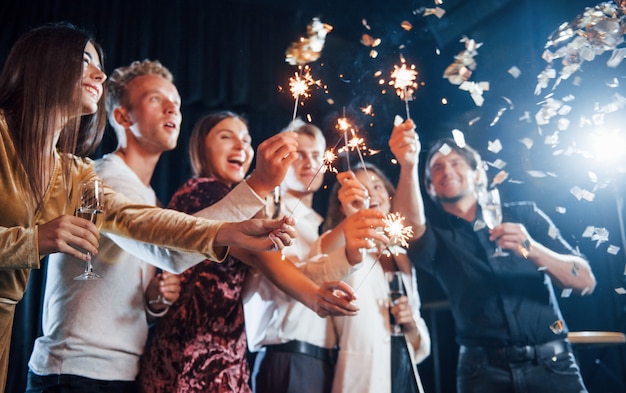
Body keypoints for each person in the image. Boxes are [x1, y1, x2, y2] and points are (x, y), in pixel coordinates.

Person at [0, 24, 346, 391]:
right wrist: (34, 240)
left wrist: (225, 233)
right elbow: (160, 241)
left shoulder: (74, 174)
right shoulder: (101, 175)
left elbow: (156, 239)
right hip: (74, 372)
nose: (98, 74)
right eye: (84, 60)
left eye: (178, 103)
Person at [138, 114, 373, 392]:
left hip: (223, 353)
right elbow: (263, 257)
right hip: (193, 356)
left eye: (246, 140)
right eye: (226, 136)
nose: (240, 146)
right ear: (201, 147)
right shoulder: (204, 191)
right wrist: (314, 295)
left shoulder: (240, 202)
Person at [407, 122, 597, 392]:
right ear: (430, 188)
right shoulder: (438, 239)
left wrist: (531, 249)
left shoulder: (524, 215)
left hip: (553, 365)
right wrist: (407, 163)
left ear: (476, 174)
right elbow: (408, 226)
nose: (447, 170)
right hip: (482, 372)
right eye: (437, 167)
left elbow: (586, 282)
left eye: (456, 162)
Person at [317, 119, 430, 393]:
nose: (373, 193)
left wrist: (411, 323)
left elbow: (420, 338)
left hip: (403, 371)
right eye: (362, 188)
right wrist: (354, 217)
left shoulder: (402, 256)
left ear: (391, 196)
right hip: (360, 375)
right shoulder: (339, 244)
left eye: (378, 186)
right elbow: (321, 264)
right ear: (343, 203)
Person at [244, 119, 345, 393]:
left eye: (316, 155)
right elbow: (288, 276)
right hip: (287, 358)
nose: (309, 163)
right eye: (299, 154)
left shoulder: (315, 224)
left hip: (321, 361)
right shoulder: (266, 213)